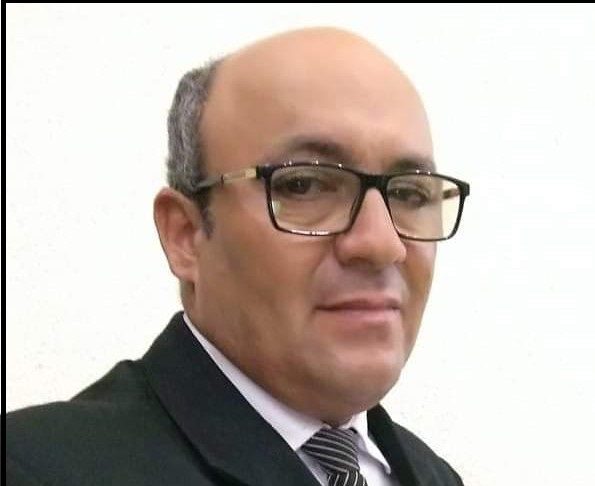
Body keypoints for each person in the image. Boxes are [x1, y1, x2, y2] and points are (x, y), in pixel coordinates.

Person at [6, 27, 470, 485]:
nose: (381, 243)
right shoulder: (38, 469)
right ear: (185, 235)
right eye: (304, 185)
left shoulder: (434, 476)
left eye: (410, 194)